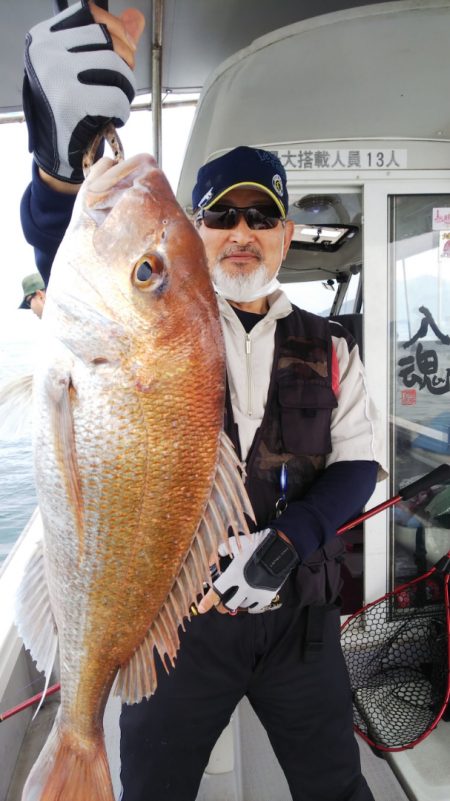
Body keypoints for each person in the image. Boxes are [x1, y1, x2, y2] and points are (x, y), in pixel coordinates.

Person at [20, 3, 386, 800]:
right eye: (221, 214)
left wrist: (289, 541)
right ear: (196, 230)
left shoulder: (333, 346)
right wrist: (59, 162)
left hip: (300, 625)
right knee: (154, 785)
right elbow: (76, 255)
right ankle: (80, 737)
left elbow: (360, 462)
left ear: (286, 236)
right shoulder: (173, 323)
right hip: (181, 628)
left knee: (336, 786)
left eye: (262, 216)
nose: (241, 232)